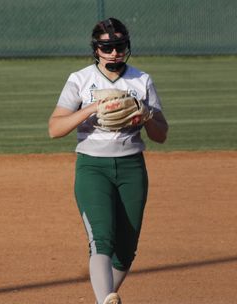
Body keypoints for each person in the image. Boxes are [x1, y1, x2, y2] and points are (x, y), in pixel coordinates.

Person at [48, 17, 168, 304]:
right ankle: (107, 300)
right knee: (101, 239)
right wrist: (91, 108)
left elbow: (161, 134)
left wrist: (146, 116)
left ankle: (103, 299)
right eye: (107, 47)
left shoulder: (141, 80)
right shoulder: (80, 79)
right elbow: (55, 128)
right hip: (92, 167)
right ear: (96, 49)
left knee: (126, 250)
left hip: (132, 167)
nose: (114, 52)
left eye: (119, 45)